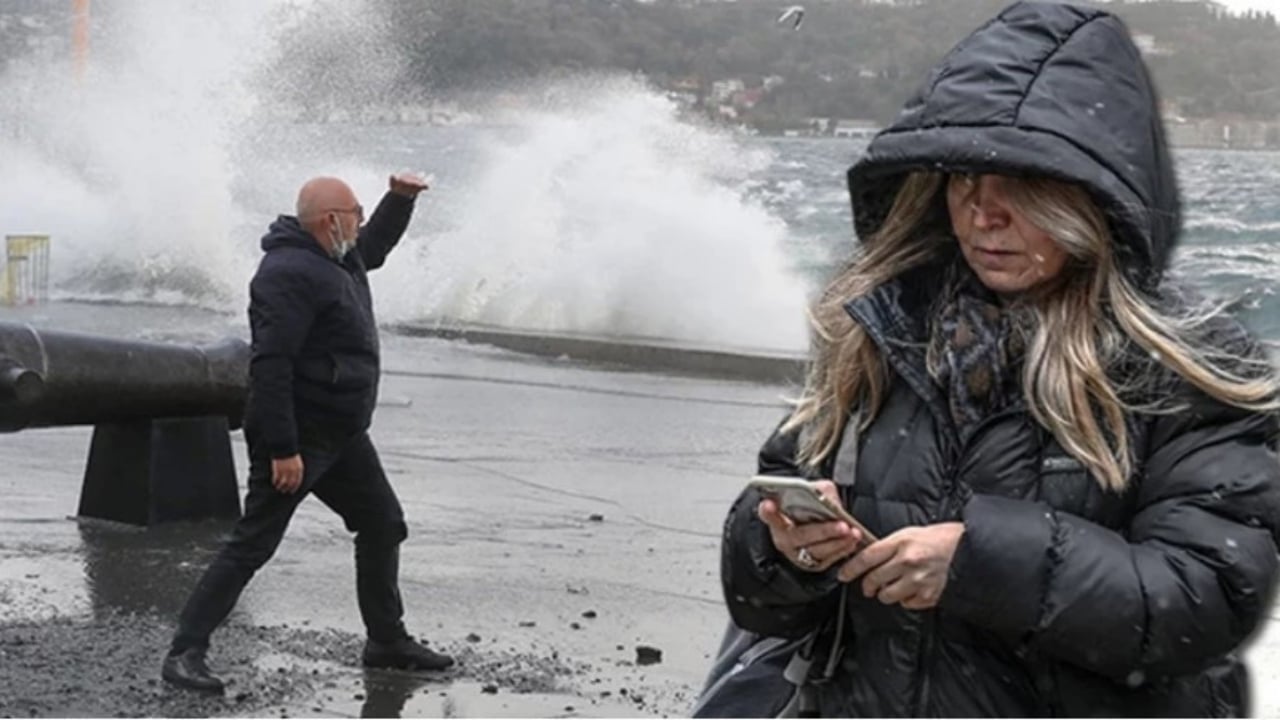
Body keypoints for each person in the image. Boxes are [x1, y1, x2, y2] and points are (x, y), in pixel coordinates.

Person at [710, 1, 1280, 717]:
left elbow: (1208, 596)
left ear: (1093, 198)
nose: (984, 215)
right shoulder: (880, 332)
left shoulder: (1182, 363)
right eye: (962, 183)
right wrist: (786, 545)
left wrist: (980, 564)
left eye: (1019, 185)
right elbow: (759, 586)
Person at [161, 173, 455, 693]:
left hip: (342, 435)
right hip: (298, 436)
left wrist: (400, 199)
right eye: (357, 212)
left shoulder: (337, 255)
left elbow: (376, 247)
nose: (362, 221)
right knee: (252, 545)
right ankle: (185, 652)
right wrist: (283, 448)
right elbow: (270, 365)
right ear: (331, 220)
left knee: (384, 524)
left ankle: (386, 641)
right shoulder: (289, 273)